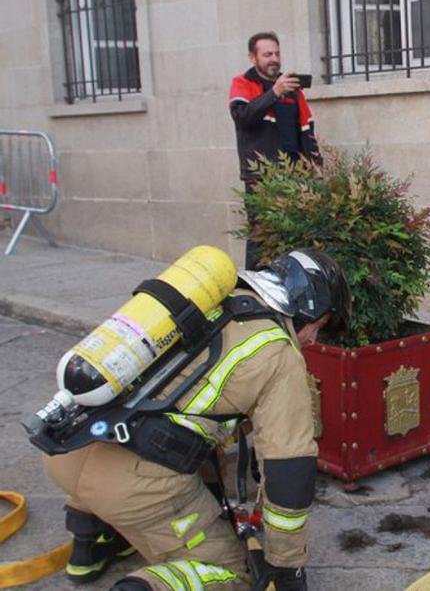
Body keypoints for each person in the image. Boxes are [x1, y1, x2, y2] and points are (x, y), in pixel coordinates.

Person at [45, 249, 351, 590]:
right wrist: (287, 567)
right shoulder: (277, 352)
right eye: (318, 326)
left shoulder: (210, 303)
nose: (313, 340)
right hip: (133, 487)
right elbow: (288, 470)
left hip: (70, 446)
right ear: (306, 306)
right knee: (234, 575)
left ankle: (89, 546)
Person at [229, 32, 321, 269]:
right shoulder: (243, 83)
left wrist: (316, 169)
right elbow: (243, 117)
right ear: (253, 57)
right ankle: (253, 289)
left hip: (293, 175)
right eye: (267, 54)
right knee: (261, 236)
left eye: (277, 53)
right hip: (261, 177)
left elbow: (306, 129)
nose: (274, 59)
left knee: (292, 235)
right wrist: (273, 93)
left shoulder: (292, 88)